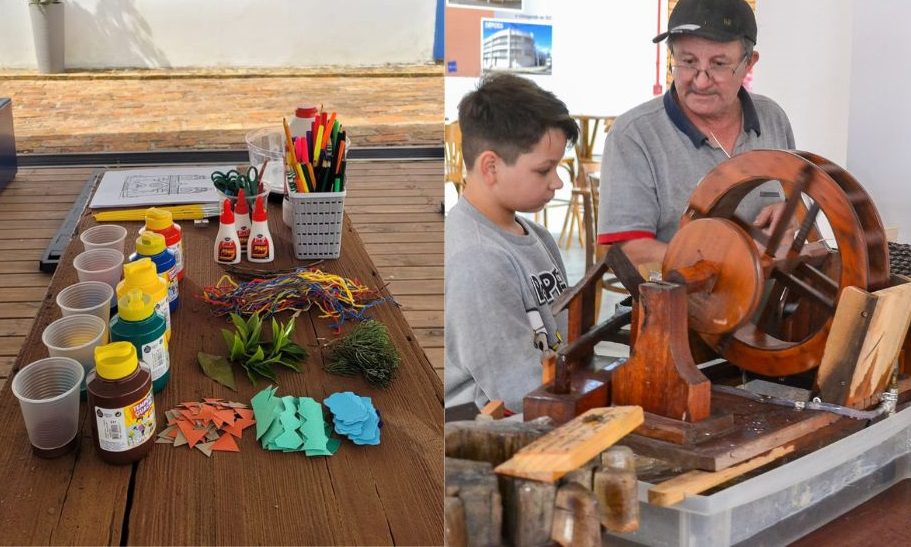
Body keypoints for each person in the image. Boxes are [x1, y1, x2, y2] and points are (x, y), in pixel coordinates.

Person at [597, 0, 795, 266]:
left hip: (775, 300)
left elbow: (799, 205)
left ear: (749, 64)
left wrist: (792, 218)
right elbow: (629, 253)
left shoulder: (773, 119)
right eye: (688, 62)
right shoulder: (634, 135)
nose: (701, 81)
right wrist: (737, 264)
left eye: (719, 64)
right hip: (680, 303)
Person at [444, 73, 579, 416]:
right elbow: (517, 388)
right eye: (544, 170)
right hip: (488, 434)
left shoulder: (537, 236)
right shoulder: (476, 260)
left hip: (546, 401)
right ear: (491, 166)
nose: (558, 182)